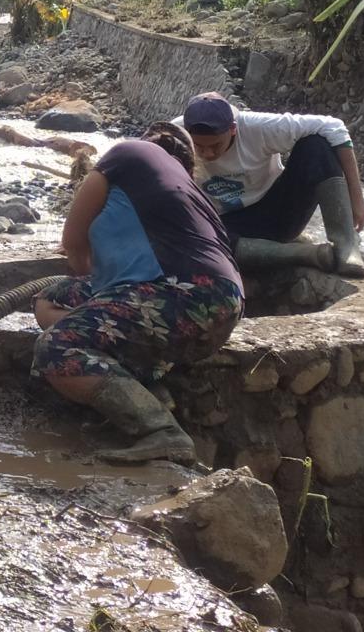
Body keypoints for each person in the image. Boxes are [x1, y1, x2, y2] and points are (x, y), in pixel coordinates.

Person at [31, 122, 244, 465]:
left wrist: (83, 266)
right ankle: (138, 385)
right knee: (54, 297)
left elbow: (72, 241)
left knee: (57, 347)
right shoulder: (191, 190)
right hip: (220, 302)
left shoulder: (127, 153)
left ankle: (160, 430)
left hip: (182, 296)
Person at [177, 92, 364, 278]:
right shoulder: (173, 135)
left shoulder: (257, 126)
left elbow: (334, 127)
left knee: (316, 144)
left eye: (215, 145)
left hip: (277, 213)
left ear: (233, 129)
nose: (208, 154)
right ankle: (308, 254)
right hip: (224, 226)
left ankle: (347, 245)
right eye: (199, 146)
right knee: (195, 239)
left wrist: (356, 198)